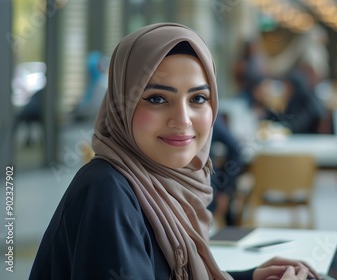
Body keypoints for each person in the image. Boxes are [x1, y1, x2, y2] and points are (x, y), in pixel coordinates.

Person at [29, 23, 319, 280]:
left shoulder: (170, 183)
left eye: (198, 98)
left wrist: (249, 277)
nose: (182, 120)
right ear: (121, 105)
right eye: (157, 98)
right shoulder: (107, 191)